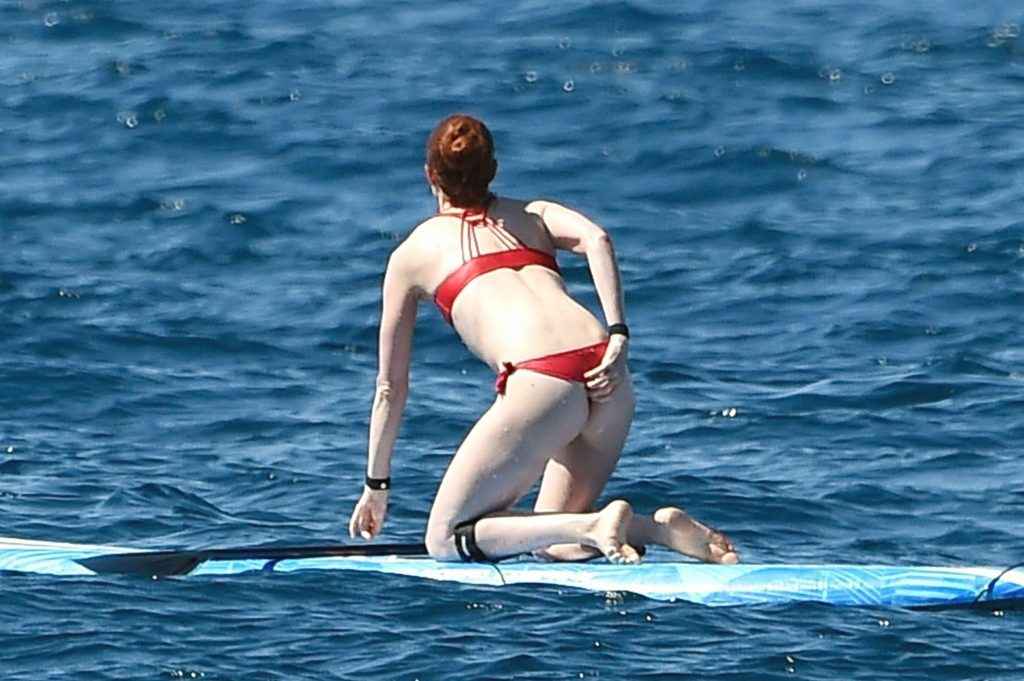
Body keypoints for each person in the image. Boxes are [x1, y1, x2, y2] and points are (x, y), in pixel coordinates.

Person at [348, 113, 738, 565]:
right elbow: (597, 238)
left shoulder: (412, 254)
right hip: (607, 371)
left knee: (446, 540)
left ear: (430, 176)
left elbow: (390, 388)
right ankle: (654, 528)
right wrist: (618, 333)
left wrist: (376, 486)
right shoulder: (534, 214)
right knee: (552, 542)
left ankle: (595, 525)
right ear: (493, 169)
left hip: (543, 381)